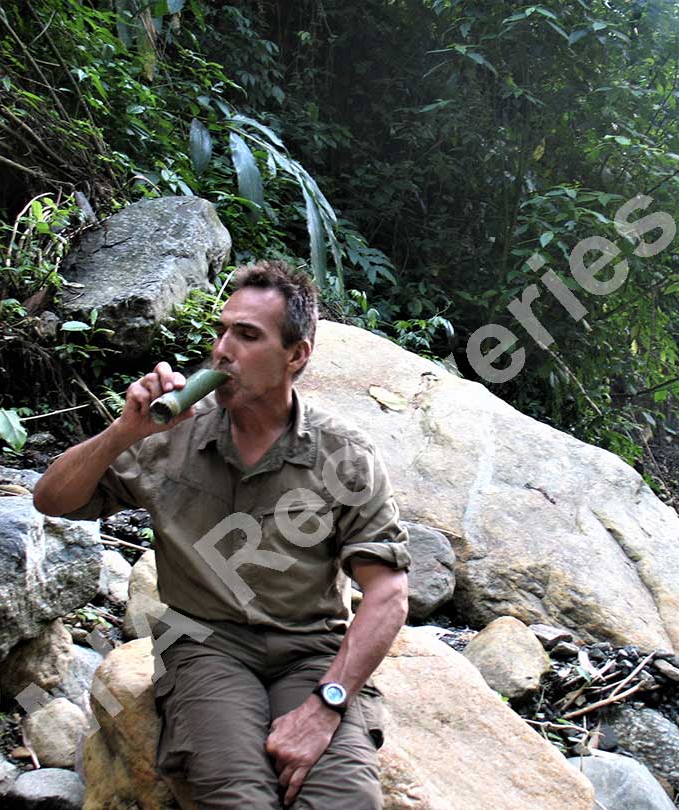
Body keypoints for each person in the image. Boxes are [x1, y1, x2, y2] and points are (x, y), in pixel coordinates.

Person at [33, 260, 410, 809]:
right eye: (222, 330)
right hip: (205, 645)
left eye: (248, 336)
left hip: (310, 648)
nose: (222, 350)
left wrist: (326, 705)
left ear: (296, 355)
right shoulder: (171, 434)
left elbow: (387, 593)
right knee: (240, 800)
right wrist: (123, 432)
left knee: (344, 801)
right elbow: (52, 499)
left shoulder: (343, 455)